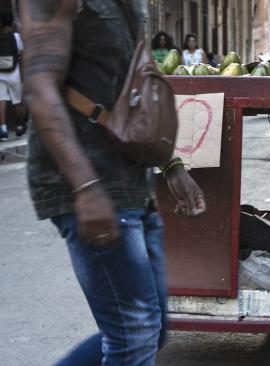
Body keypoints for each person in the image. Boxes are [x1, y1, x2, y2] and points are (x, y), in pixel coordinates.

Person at [20, 1, 207, 364]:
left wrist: (170, 164)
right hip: (88, 181)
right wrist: (86, 188)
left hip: (130, 179)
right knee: (133, 335)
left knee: (149, 330)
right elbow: (40, 90)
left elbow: (130, 84)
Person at [0, 12, 26, 141]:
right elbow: (21, 53)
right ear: (12, 22)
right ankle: (20, 127)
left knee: (1, 101)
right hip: (14, 73)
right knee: (17, 101)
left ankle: (3, 130)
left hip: (0, 73)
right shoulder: (16, 36)